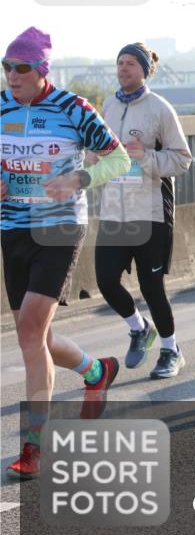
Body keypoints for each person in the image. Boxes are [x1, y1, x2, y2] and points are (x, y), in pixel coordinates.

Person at [2, 27, 131, 479]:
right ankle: (96, 371)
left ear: (41, 70)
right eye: (6, 67)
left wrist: (79, 179)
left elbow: (119, 159)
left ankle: (34, 445)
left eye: (20, 68)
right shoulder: (0, 108)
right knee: (32, 335)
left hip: (59, 228)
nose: (11, 76)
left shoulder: (73, 108)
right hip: (13, 228)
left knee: (31, 330)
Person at [94, 42, 193, 379]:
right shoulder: (107, 105)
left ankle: (171, 350)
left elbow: (182, 159)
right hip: (113, 211)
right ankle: (139, 328)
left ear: (144, 70)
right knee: (106, 281)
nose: (123, 69)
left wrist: (146, 158)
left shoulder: (160, 109)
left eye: (130, 64)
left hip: (150, 213)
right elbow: (98, 151)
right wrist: (93, 159)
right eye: (119, 63)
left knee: (153, 290)